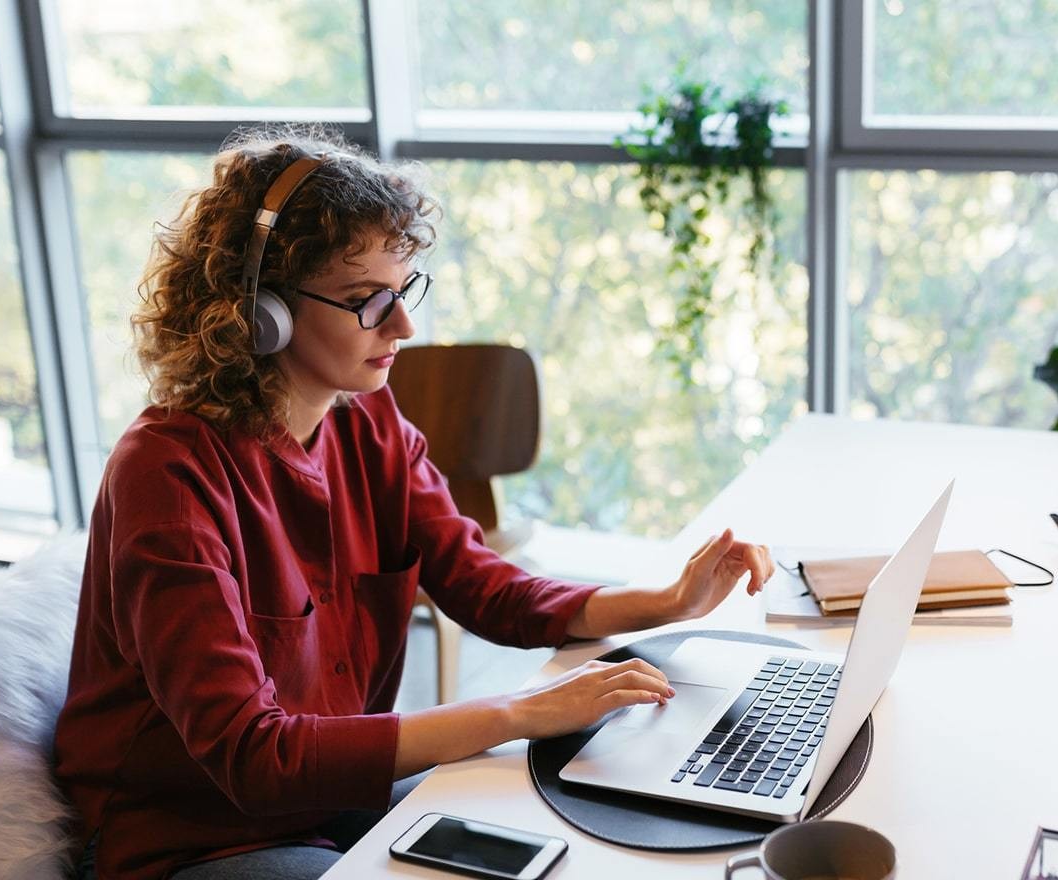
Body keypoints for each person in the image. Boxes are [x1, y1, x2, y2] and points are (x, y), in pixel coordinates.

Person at [54, 128, 773, 880]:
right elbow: (253, 756)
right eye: (367, 302)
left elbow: (486, 588)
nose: (404, 327)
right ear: (256, 309)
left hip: (324, 798)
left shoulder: (367, 419)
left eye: (404, 291)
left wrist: (667, 600)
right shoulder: (166, 473)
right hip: (192, 839)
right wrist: (520, 712)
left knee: (570, 823)